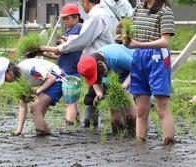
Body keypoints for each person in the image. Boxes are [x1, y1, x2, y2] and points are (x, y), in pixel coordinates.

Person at [41, 0, 115, 128]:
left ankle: (91, 128)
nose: (82, 6)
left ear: (86, 2)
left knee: (90, 98)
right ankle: (96, 127)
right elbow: (86, 38)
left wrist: (56, 48)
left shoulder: (95, 17)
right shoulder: (105, 14)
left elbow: (83, 40)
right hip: (100, 61)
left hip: (97, 62)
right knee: (96, 97)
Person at [125, 0, 175, 145]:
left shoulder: (165, 11)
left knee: (161, 108)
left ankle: (169, 145)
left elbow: (165, 41)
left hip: (158, 58)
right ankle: (140, 145)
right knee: (140, 109)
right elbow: (131, 31)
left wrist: (139, 44)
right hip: (139, 57)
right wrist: (123, 36)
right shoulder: (138, 8)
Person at [0, 57, 65, 136]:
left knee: (35, 108)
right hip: (48, 83)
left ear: (9, 70)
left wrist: (38, 91)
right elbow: (23, 106)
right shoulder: (19, 80)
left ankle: (41, 138)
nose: (6, 81)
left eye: (5, 78)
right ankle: (46, 134)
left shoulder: (28, 68)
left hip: (58, 79)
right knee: (38, 115)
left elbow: (52, 78)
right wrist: (19, 130)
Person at [77, 43, 136, 133]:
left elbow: (136, 68)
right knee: (115, 110)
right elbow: (95, 81)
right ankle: (118, 135)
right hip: (114, 75)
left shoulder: (117, 57)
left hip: (132, 71)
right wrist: (99, 93)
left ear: (102, 64)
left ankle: (134, 132)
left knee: (128, 106)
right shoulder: (90, 64)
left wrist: (124, 84)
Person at [43, 4, 83, 125]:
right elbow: (60, 54)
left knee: (69, 102)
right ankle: (78, 121)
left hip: (72, 70)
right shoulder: (68, 31)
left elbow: (70, 45)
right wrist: (44, 54)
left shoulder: (80, 28)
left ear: (76, 17)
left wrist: (46, 48)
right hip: (65, 69)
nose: (65, 21)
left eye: (68, 18)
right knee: (73, 99)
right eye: (63, 18)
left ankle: (69, 126)